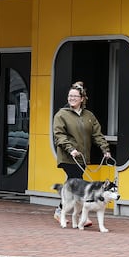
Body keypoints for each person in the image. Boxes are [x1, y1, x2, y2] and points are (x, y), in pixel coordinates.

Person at [52, 81, 112, 225]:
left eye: (75, 96)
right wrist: (70, 149)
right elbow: (59, 135)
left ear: (82, 98)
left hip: (83, 157)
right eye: (70, 96)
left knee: (73, 184)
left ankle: (62, 210)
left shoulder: (89, 116)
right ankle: (79, 217)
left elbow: (97, 134)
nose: (71, 98)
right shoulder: (62, 114)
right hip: (68, 156)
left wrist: (105, 149)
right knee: (76, 181)